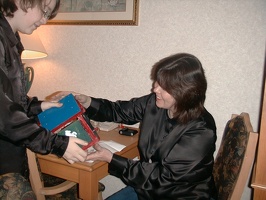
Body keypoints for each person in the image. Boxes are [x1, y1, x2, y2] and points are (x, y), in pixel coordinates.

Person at [53, 53, 218, 200]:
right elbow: (118, 111)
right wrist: (87, 101)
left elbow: (163, 178)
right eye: (157, 82)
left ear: (185, 92)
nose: (155, 89)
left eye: (164, 87)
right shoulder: (153, 103)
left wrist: (111, 158)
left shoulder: (201, 130)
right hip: (147, 189)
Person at [0, 0, 88, 199]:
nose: (44, 20)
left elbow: (9, 98)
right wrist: (58, 144)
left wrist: (39, 105)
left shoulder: (10, 38)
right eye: (44, 10)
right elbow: (4, 114)